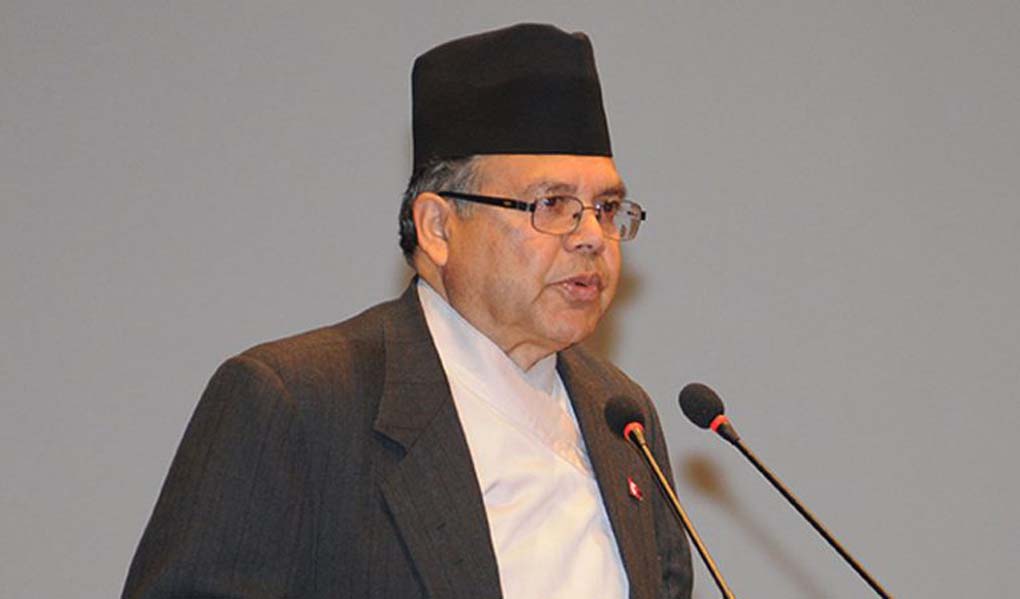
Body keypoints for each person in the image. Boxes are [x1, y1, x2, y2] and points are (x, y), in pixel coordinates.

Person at [122, 23, 692, 599]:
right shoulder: (298, 402)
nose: (592, 236)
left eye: (607, 207)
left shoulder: (621, 417)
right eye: (552, 204)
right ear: (438, 227)